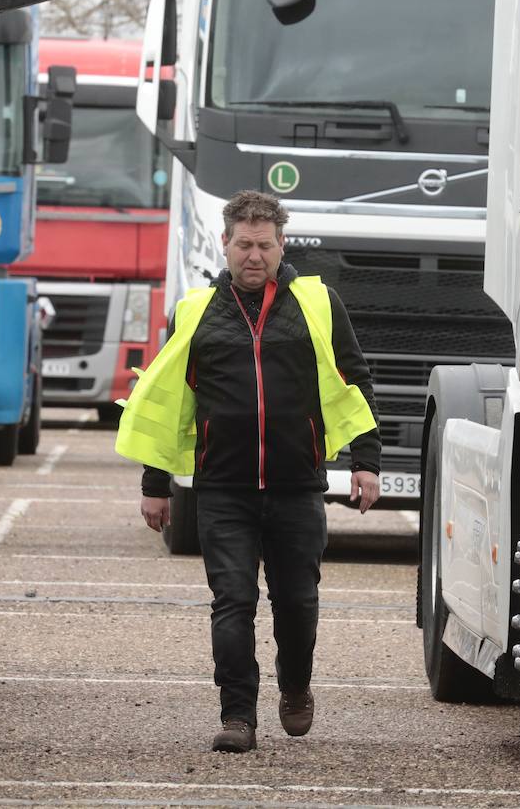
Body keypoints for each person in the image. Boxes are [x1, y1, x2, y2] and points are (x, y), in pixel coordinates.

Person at [115, 190, 381, 753]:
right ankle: (237, 715)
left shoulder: (317, 303)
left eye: (264, 245)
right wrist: (154, 486)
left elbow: (354, 381)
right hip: (223, 490)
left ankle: (296, 687)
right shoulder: (194, 312)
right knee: (232, 602)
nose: (253, 256)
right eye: (243, 245)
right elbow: (166, 401)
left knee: (298, 605)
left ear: (282, 246)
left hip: (296, 487)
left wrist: (367, 461)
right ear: (225, 245)